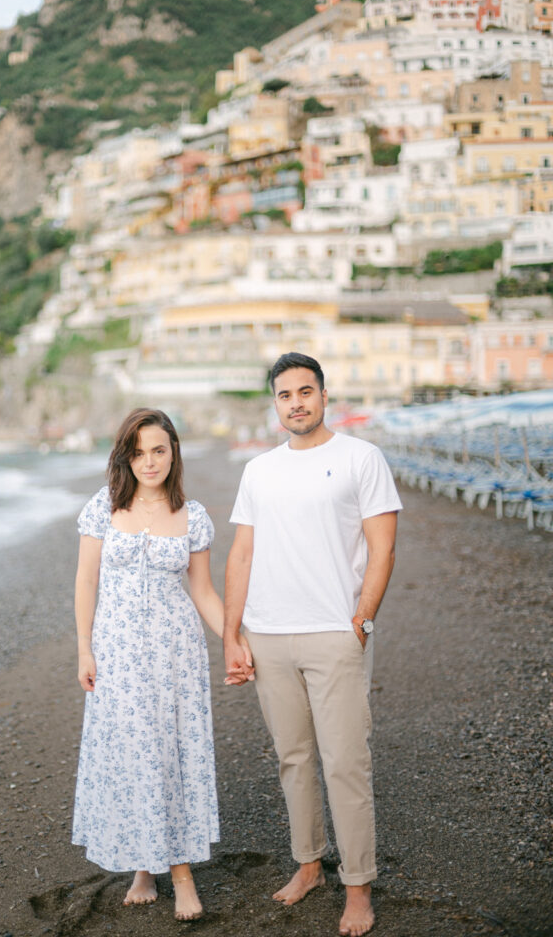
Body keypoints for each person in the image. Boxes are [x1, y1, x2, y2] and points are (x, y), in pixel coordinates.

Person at [223, 352, 401, 937]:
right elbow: (242, 554)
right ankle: (308, 865)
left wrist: (363, 619)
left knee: (346, 762)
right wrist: (232, 633)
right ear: (275, 405)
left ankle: (357, 887)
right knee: (293, 759)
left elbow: (382, 547)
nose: (296, 402)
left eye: (305, 391)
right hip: (269, 634)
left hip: (335, 632)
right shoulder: (259, 471)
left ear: (324, 395)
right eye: (284, 395)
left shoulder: (361, 458)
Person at [73, 407, 252, 921]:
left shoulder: (192, 515)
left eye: (158, 450)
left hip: (176, 654)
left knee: (169, 756)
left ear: (173, 453)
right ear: (124, 457)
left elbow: (202, 592)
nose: (148, 462)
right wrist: (85, 648)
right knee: (133, 756)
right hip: (119, 655)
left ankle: (177, 872)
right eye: (138, 452)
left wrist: (234, 639)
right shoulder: (103, 508)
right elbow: (86, 582)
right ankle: (147, 867)